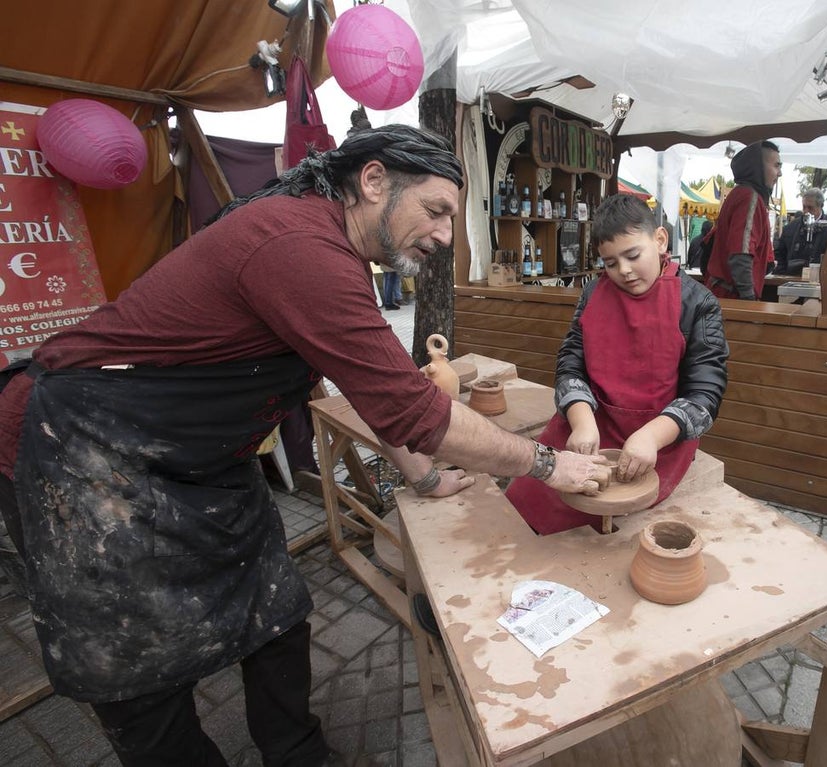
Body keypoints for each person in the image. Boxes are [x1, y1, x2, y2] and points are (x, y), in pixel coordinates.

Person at [0, 125, 609, 766]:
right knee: (140, 671)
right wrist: (546, 463)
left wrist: (424, 479)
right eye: (435, 211)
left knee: (276, 615)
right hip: (82, 449)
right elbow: (413, 408)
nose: (444, 236)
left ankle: (297, 753)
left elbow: (370, 388)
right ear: (373, 182)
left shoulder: (324, 249)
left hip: (198, 460)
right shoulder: (299, 245)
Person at [506, 195, 729, 535]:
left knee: (610, 524)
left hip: (661, 436)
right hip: (593, 422)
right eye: (610, 263)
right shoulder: (594, 293)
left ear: (659, 240)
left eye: (633, 255)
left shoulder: (697, 303)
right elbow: (571, 363)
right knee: (527, 501)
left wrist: (652, 437)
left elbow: (705, 393)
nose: (623, 270)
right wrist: (580, 420)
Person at [705, 140, 781, 300]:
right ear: (758, 167)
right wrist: (749, 301)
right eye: (776, 166)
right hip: (731, 299)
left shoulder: (741, 194)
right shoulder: (749, 197)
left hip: (725, 295)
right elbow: (740, 254)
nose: (779, 173)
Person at [774, 189, 827, 276]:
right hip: (793, 278)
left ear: (821, 206)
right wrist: (783, 275)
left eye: (810, 208)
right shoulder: (791, 228)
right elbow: (780, 254)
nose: (806, 211)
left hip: (821, 280)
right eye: (804, 207)